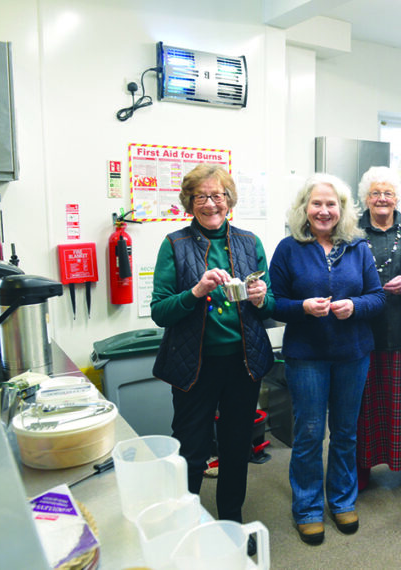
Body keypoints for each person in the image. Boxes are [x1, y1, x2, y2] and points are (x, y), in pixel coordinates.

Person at [150, 163, 275, 554]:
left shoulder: (249, 241)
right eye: (201, 196)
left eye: (217, 195)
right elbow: (160, 311)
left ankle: (230, 521)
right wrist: (196, 291)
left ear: (229, 199)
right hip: (195, 366)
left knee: (237, 445)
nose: (210, 203)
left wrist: (261, 299)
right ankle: (186, 523)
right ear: (190, 201)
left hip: (243, 363)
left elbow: (268, 305)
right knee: (192, 448)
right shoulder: (174, 244)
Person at [270, 173, 385, 545]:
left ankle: (341, 500)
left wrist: (355, 305)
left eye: (331, 204)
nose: (323, 211)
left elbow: (378, 297)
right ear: (305, 208)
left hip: (352, 355)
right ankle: (308, 508)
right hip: (307, 358)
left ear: (342, 210)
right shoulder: (288, 249)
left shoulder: (358, 247)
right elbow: (273, 305)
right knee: (308, 434)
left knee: (346, 433)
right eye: (316, 204)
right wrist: (303, 307)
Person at [355, 166, 401, 492]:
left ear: (397, 197)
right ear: (366, 199)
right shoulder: (353, 229)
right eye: (375, 193)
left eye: (387, 192)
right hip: (364, 332)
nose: (382, 198)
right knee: (365, 403)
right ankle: (362, 465)